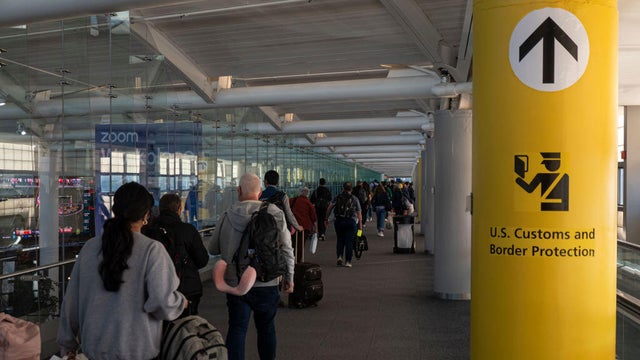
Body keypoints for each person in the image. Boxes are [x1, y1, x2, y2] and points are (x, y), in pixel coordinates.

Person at [57, 182, 187, 360]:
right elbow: (162, 304)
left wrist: (67, 345)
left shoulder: (90, 248)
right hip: (138, 353)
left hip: (93, 352)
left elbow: (71, 302)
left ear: (115, 209)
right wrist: (181, 302)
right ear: (146, 214)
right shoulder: (151, 250)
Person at [209, 173, 295, 360]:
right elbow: (287, 248)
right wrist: (290, 277)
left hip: (235, 283)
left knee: (237, 328)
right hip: (267, 280)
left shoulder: (227, 214)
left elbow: (213, 247)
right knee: (266, 328)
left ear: (239, 190)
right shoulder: (274, 212)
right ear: (260, 192)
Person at [143, 193, 210, 317]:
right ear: (179, 209)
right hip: (187, 288)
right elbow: (202, 260)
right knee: (187, 328)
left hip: (156, 289)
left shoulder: (148, 230)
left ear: (159, 209)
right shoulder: (187, 230)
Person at [325, 181, 362, 268]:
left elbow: (329, 207)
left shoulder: (337, 197)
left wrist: (326, 218)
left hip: (339, 221)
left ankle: (339, 257)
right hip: (351, 222)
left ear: (343, 188)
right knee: (349, 241)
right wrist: (360, 228)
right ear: (351, 189)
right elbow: (359, 214)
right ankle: (348, 261)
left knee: (340, 239)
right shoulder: (354, 198)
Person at [289, 186, 318, 260]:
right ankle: (299, 259)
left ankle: (292, 258)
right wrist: (316, 229)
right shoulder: (308, 203)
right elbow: (313, 217)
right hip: (305, 227)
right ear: (308, 194)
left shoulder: (293, 200)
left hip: (293, 226)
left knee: (293, 243)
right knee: (301, 244)